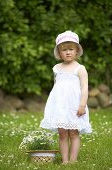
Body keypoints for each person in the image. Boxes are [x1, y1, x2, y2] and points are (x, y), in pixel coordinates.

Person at [40, 30, 92, 164]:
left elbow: (84, 88)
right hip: (60, 106)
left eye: (71, 49)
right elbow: (56, 88)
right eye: (64, 50)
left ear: (77, 51)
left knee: (74, 133)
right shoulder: (57, 68)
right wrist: (54, 106)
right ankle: (65, 160)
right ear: (59, 52)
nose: (68, 52)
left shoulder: (80, 69)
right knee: (62, 134)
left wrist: (82, 105)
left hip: (75, 105)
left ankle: (73, 160)